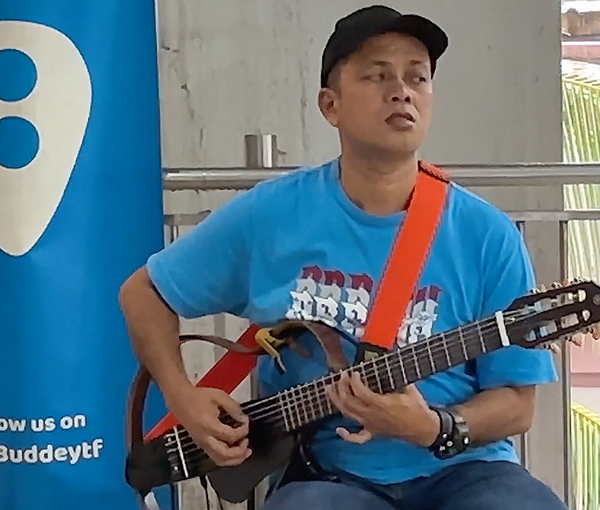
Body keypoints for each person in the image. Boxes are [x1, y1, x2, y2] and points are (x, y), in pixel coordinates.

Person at [118, 5, 568, 510]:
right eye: (378, 75)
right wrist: (183, 397)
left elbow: (516, 405)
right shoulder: (273, 214)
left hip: (466, 471)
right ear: (330, 105)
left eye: (417, 77)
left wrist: (433, 427)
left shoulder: (487, 234)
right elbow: (143, 292)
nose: (402, 90)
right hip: (327, 475)